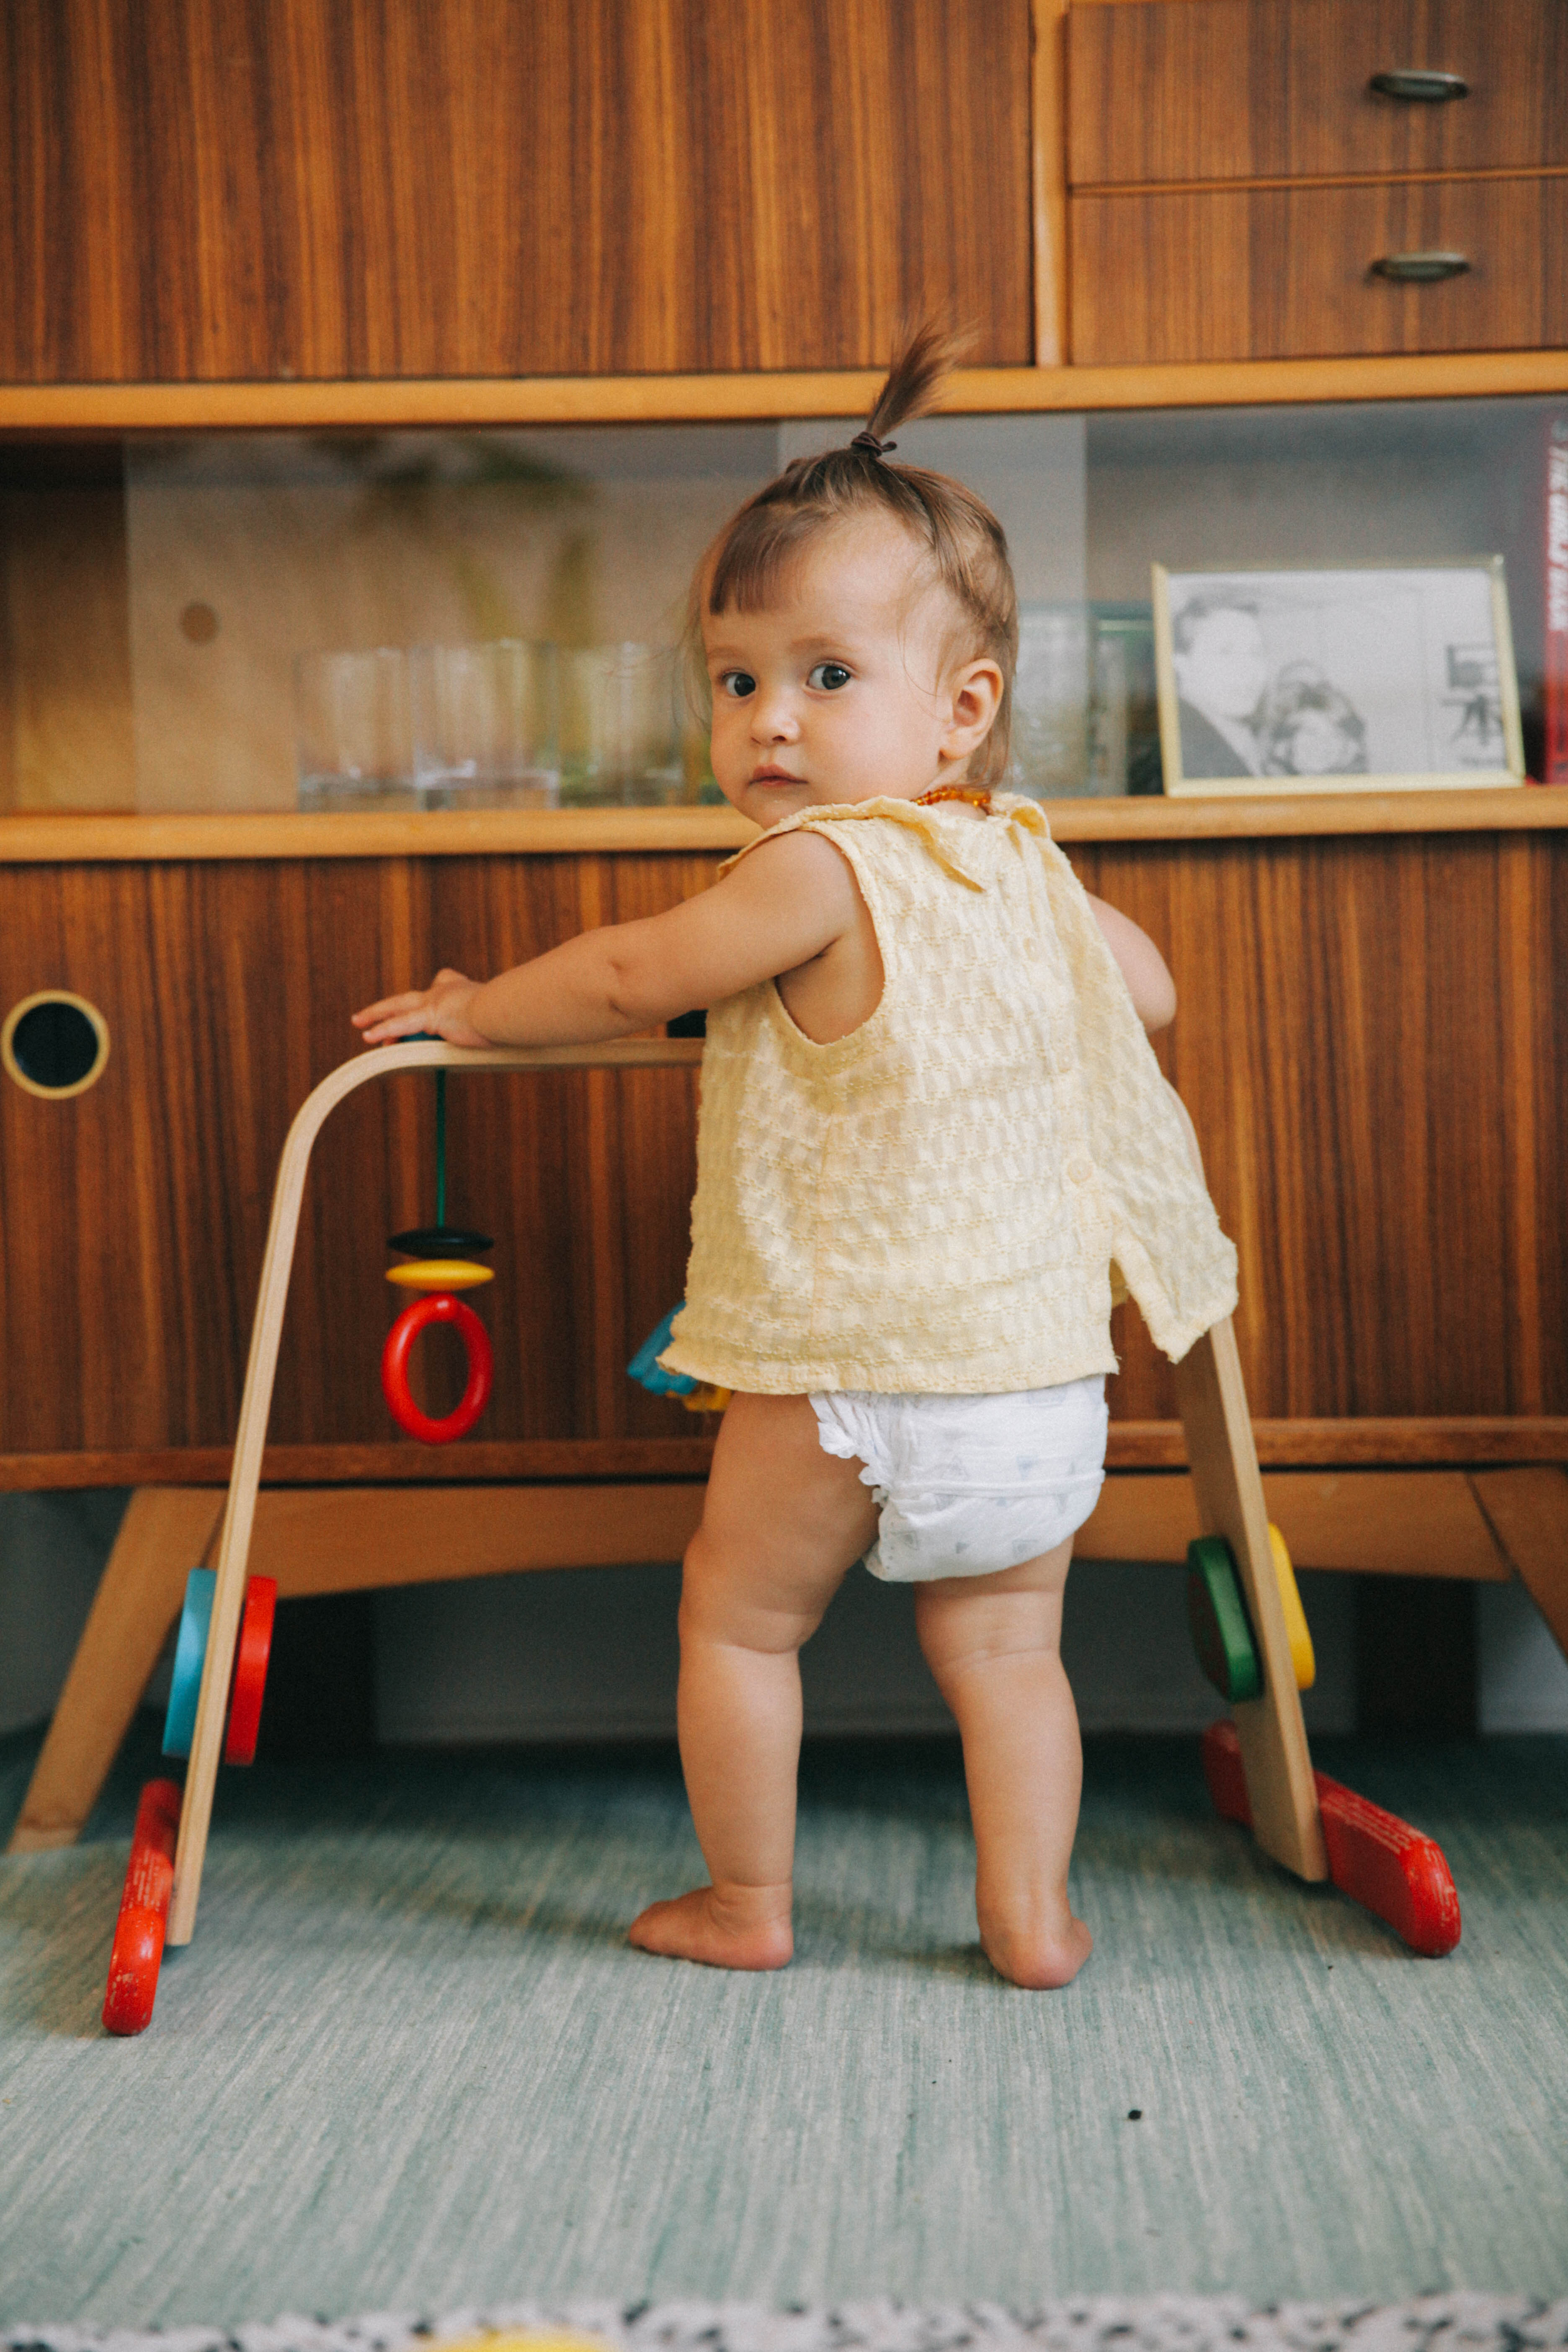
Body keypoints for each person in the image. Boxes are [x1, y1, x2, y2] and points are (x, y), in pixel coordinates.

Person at [353, 326, 1238, 1990]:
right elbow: (1151, 994)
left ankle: (747, 1901)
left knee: (742, 1617)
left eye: (827, 677)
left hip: (848, 1365)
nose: (769, 721)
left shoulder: (817, 868)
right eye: (735, 679)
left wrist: (476, 1011)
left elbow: (629, 974)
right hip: (1037, 1377)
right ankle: (1031, 1918)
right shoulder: (1029, 869)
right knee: (1009, 1650)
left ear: (962, 711)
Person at [1169, 595, 1270, 779]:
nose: (1249, 670)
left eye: (1256, 653)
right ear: (1182, 666)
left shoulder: (1237, 734)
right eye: (1226, 652)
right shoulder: (1181, 752)